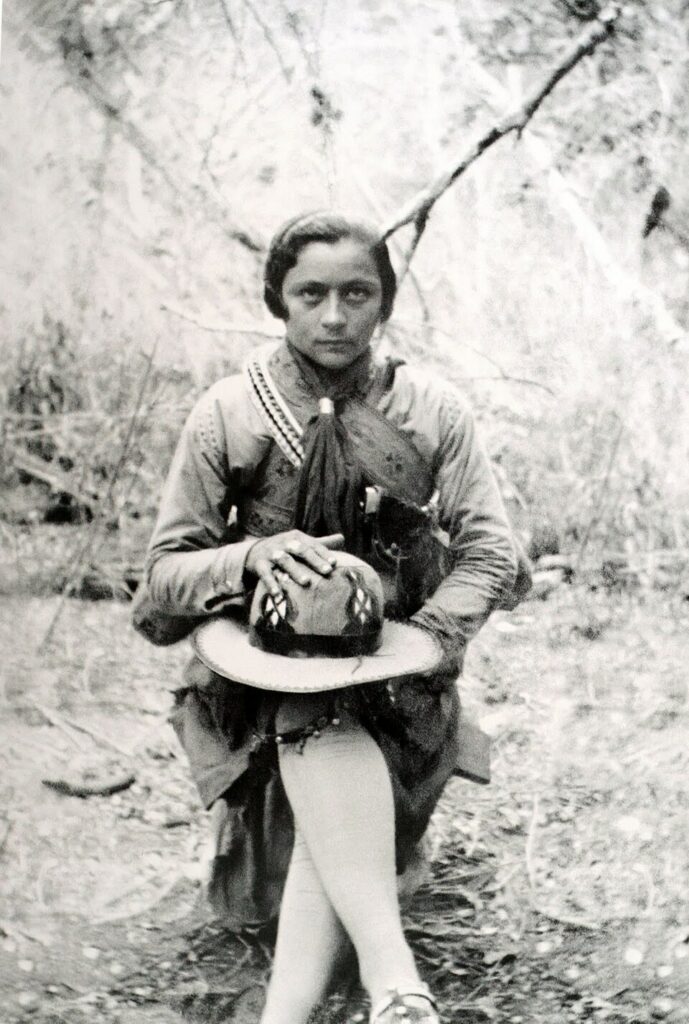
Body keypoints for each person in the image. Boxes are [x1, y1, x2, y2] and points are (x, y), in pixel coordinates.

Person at [139, 211, 523, 1024]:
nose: (335, 316)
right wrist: (250, 558)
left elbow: (491, 552)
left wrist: (427, 637)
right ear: (276, 299)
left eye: (358, 294)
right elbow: (164, 575)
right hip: (257, 675)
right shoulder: (229, 412)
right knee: (308, 709)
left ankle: (302, 1009)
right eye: (310, 294)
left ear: (385, 300)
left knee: (332, 757)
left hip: (395, 676)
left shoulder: (431, 408)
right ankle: (396, 985)